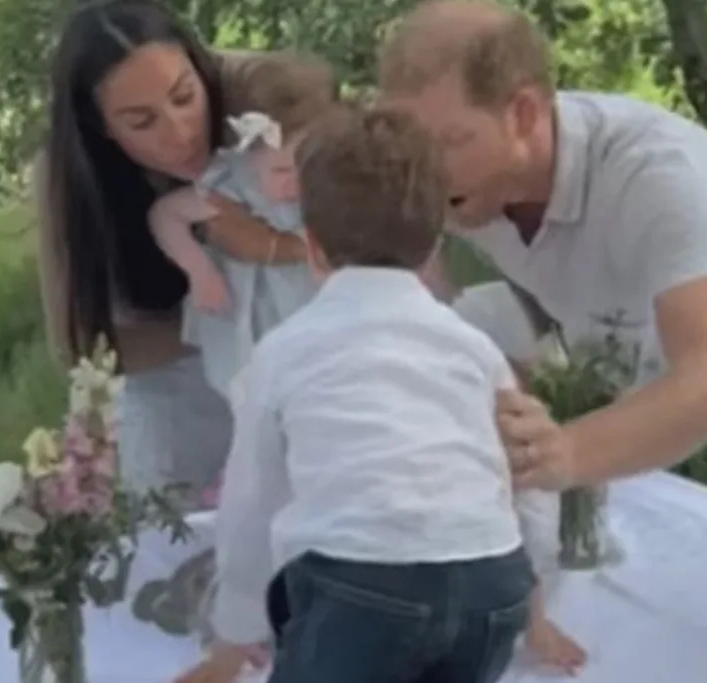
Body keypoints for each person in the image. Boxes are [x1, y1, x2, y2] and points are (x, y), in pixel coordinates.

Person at [174, 107, 583, 683]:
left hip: (358, 588)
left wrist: (232, 640)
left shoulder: (284, 353)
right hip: (490, 585)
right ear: (434, 244)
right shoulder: (475, 350)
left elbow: (250, 507)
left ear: (312, 248)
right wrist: (532, 599)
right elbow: (530, 475)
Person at [379, 0, 707, 506]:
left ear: (522, 113)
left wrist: (564, 452)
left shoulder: (653, 174)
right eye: (409, 142)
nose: (423, 172)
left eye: (449, 141)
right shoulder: (470, 183)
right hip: (649, 375)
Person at [34, 0, 311, 501]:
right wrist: (219, 322)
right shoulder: (71, 177)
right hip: (171, 384)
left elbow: (369, 202)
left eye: (185, 97)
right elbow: (79, 344)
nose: (181, 133)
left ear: (200, 71)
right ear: (102, 130)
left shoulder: (265, 96)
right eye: (142, 122)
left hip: (302, 358)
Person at [149, 52, 336, 399]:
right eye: (280, 171)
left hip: (312, 298)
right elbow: (166, 216)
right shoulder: (232, 184)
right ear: (248, 155)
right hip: (253, 312)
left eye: (307, 164)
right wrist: (199, 271)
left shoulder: (327, 178)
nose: (295, 183)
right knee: (256, 387)